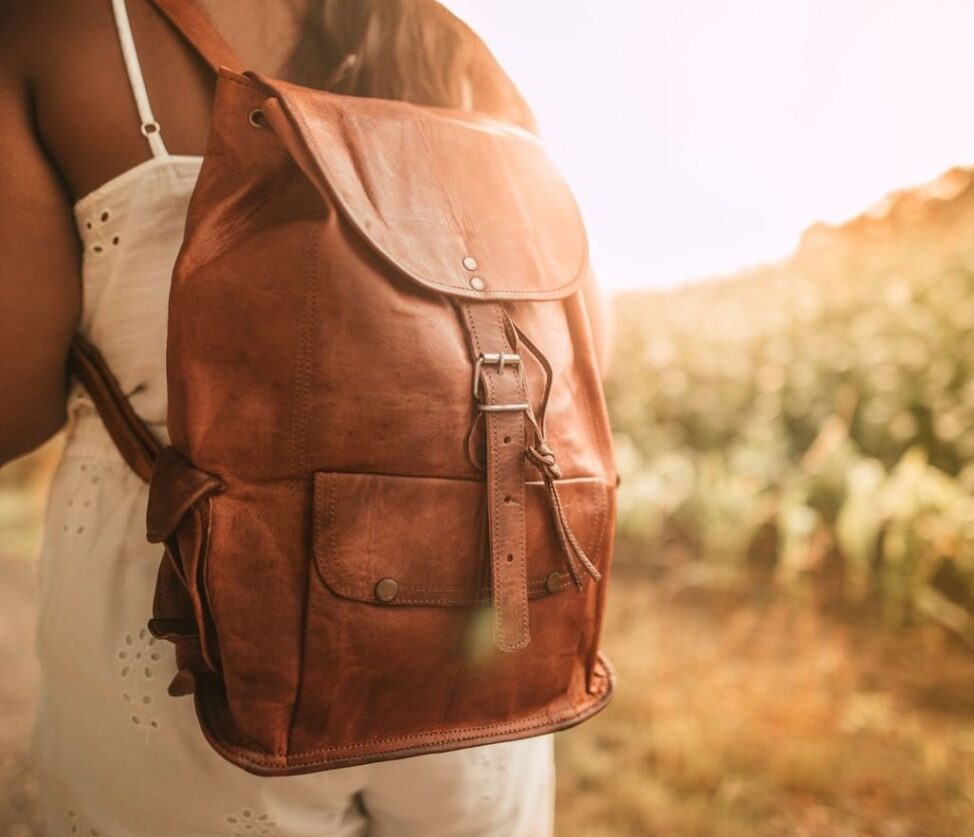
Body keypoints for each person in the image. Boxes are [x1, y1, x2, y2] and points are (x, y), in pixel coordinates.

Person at [0, 1, 608, 833]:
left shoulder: (60, 29)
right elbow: (584, 361)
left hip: (200, 654)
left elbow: (14, 406)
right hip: (479, 649)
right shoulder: (460, 52)